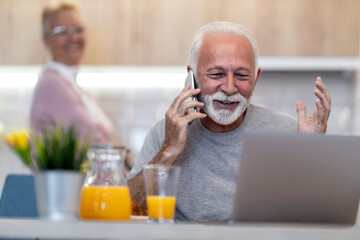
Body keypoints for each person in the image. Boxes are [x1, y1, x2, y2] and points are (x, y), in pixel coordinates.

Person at [127, 21, 331, 222]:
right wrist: (169, 149)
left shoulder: (291, 133)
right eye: (217, 74)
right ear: (192, 76)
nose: (230, 88)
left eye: (242, 75)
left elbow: (321, 222)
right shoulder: (165, 133)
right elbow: (130, 209)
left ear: (256, 77)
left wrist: (312, 153)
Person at [30, 1, 114, 144]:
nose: (73, 38)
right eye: (62, 31)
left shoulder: (70, 84)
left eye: (78, 29)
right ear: (46, 41)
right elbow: (92, 142)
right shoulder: (52, 84)